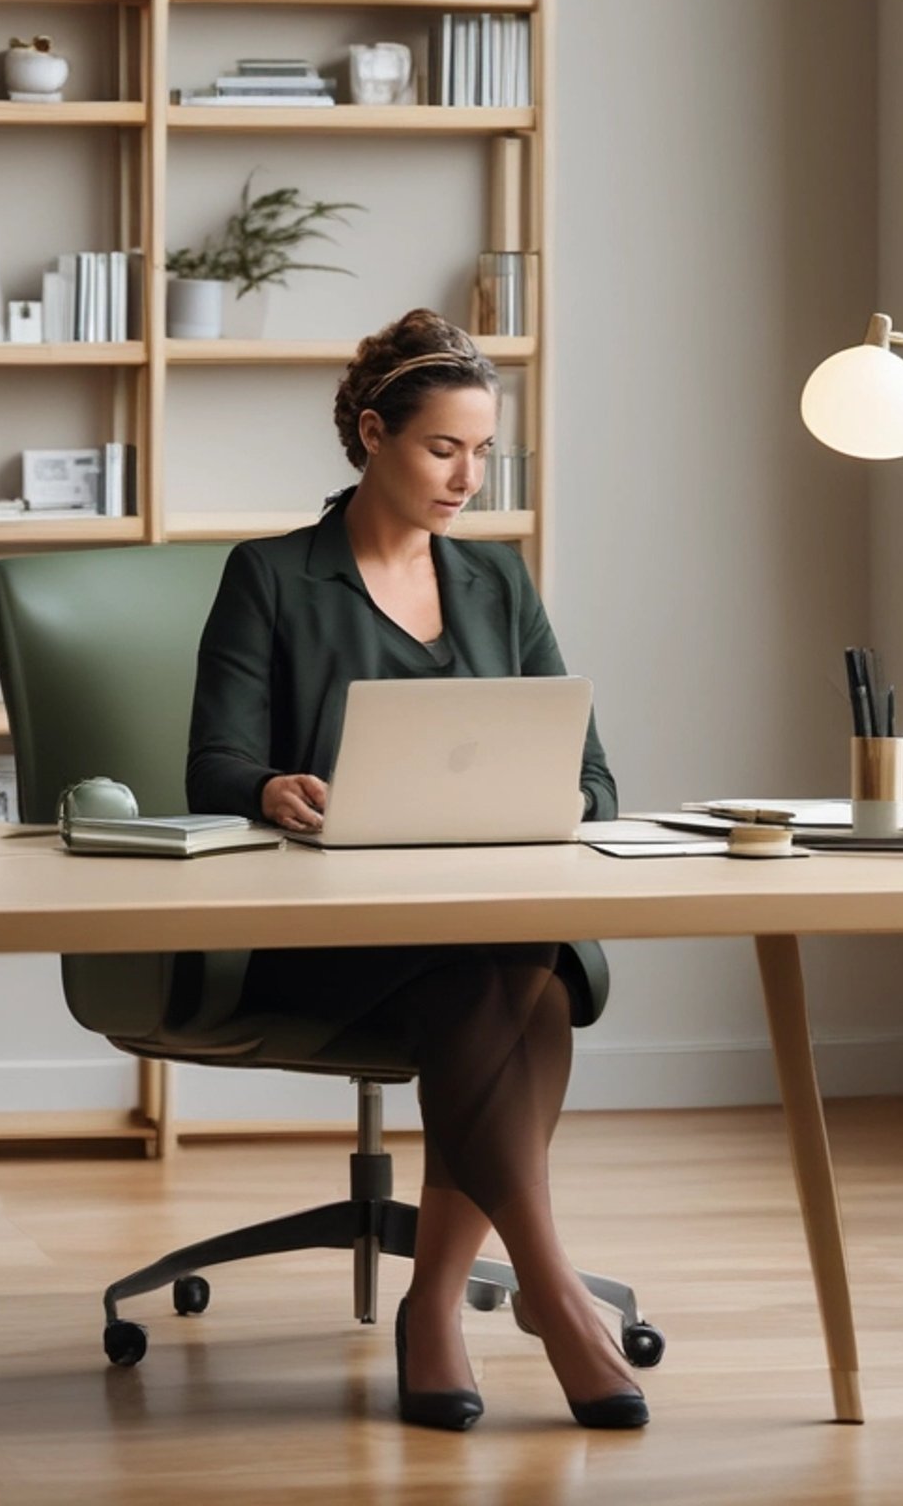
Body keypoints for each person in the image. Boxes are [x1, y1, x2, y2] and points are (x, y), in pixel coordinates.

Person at [187, 308, 645, 1432]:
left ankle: (435, 1304)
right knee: (520, 989)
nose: (468, 477)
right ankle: (547, 1289)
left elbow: (591, 773)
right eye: (445, 448)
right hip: (326, 932)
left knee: (506, 976)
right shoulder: (273, 576)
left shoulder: (498, 585)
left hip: (482, 921)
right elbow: (212, 760)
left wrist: (546, 801)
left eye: (483, 452)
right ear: (374, 433)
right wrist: (270, 790)